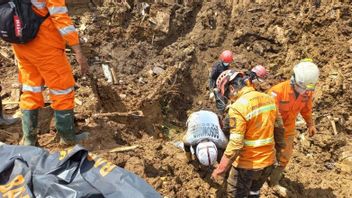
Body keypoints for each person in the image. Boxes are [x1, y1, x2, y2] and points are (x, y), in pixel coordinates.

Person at [11, 0, 89, 146]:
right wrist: (77, 49)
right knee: (62, 88)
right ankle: (67, 137)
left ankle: (29, 139)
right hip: (45, 45)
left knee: (30, 88)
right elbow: (60, 18)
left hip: (20, 44)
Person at [211, 70, 285, 198]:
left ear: (232, 88)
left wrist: (220, 169)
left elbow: (235, 144)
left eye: (227, 95)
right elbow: (279, 129)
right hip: (268, 163)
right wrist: (278, 153)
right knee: (254, 192)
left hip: (246, 166)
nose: (229, 99)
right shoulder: (268, 99)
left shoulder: (238, 107)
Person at [267, 59, 319, 196]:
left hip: (288, 128)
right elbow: (267, 114)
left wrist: (310, 124)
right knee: (266, 152)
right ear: (294, 79)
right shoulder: (276, 92)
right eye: (302, 88)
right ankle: (260, 178)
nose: (303, 92)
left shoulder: (307, 92)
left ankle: (274, 181)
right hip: (271, 128)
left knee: (286, 155)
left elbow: (306, 109)